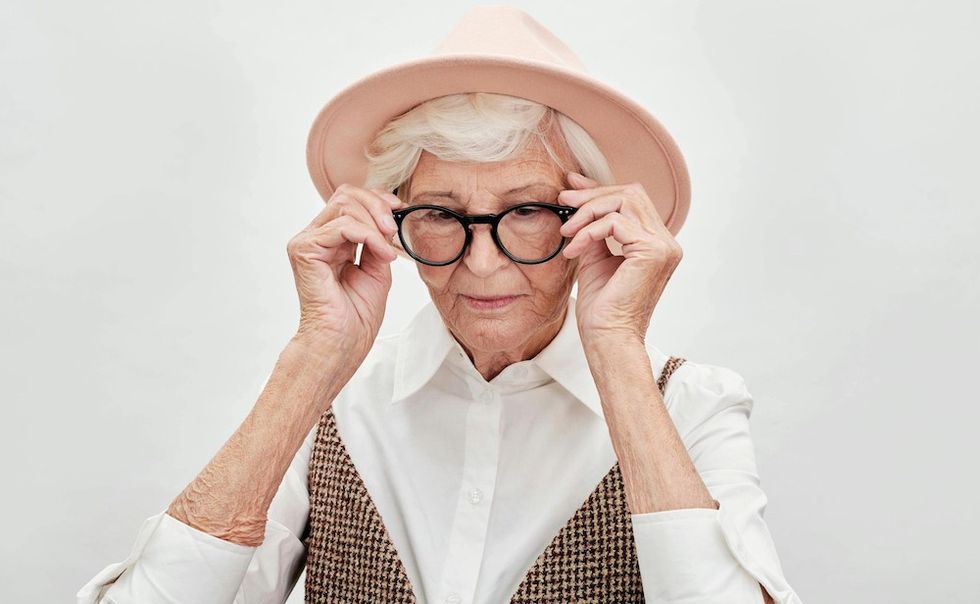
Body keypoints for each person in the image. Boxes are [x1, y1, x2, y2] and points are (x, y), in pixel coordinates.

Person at [78, 6, 803, 604]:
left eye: (527, 211)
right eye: (439, 213)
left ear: (592, 219)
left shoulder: (694, 406)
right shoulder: (336, 405)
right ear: (393, 221)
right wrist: (310, 361)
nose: (480, 263)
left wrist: (615, 342)